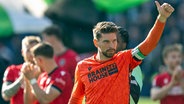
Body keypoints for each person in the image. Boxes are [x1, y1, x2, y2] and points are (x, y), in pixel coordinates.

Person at [68, 1, 174, 104]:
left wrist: (161, 18)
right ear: (96, 43)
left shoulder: (125, 58)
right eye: (106, 42)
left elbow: (149, 44)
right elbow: (76, 99)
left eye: (114, 41)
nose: (111, 45)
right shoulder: (82, 66)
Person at [1, 36, 41, 104]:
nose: (31, 54)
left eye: (34, 50)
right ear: (22, 52)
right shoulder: (13, 70)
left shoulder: (45, 71)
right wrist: (22, 78)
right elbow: (5, 95)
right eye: (28, 50)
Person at [117, 27, 143, 104]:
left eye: (115, 41)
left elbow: (132, 99)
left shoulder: (133, 66)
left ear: (124, 45)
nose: (111, 44)